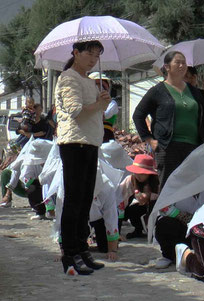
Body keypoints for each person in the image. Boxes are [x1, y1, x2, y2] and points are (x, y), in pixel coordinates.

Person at [55, 40, 111, 275]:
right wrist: (98, 104)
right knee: (74, 199)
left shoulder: (88, 80)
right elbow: (75, 110)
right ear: (76, 53)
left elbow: (93, 111)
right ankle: (69, 253)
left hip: (89, 143)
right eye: (89, 53)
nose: (93, 59)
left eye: (97, 55)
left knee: (86, 198)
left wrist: (101, 103)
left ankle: (81, 248)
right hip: (74, 143)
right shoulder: (69, 78)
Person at [132, 51, 204, 191]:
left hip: (194, 146)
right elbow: (138, 115)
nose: (182, 65)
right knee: (169, 188)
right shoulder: (157, 91)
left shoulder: (194, 92)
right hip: (167, 147)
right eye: (177, 62)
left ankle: (190, 213)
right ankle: (166, 213)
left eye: (184, 62)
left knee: (193, 188)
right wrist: (149, 139)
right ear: (166, 67)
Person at [118, 154, 159, 239]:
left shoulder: (156, 182)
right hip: (137, 206)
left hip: (153, 207)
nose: (138, 176)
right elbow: (121, 198)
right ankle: (138, 229)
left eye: (142, 174)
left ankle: (154, 230)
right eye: (136, 173)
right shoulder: (130, 180)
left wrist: (149, 197)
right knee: (132, 210)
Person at [88, 72, 118, 143]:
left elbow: (104, 116)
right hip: (90, 137)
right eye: (96, 85)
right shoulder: (87, 103)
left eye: (101, 85)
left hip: (105, 138)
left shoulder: (112, 103)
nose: (98, 88)